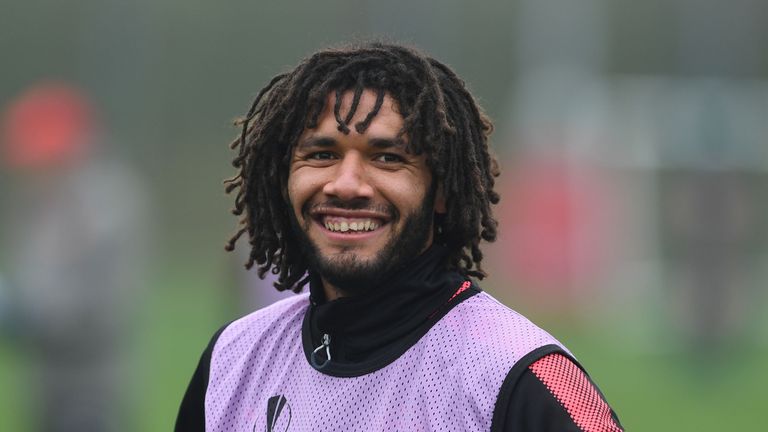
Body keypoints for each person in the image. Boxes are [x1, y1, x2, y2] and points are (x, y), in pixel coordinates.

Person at [176, 42, 623, 431]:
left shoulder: (522, 374)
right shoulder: (231, 362)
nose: (346, 184)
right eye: (322, 154)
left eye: (387, 158)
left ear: (442, 189)